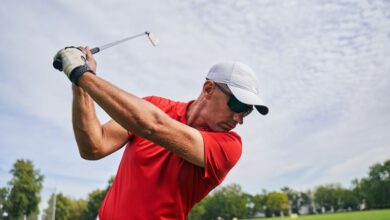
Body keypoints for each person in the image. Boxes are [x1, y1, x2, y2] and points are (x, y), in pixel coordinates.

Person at [53, 46, 269, 219]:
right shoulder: (153, 106)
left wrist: (81, 73)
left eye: (247, 112)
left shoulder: (229, 145)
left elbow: (153, 126)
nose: (239, 119)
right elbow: (93, 147)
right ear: (208, 89)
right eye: (238, 105)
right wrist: (80, 85)